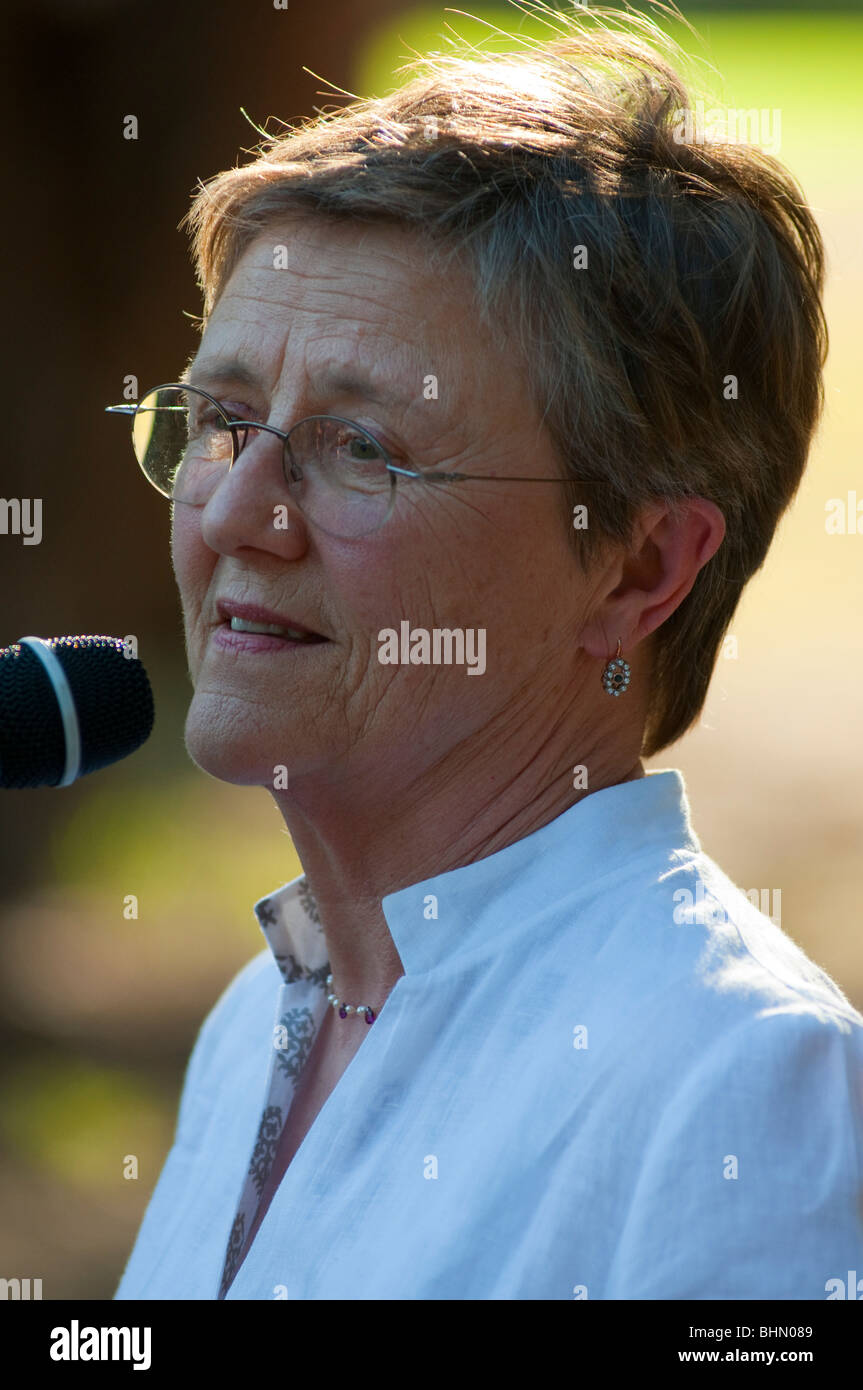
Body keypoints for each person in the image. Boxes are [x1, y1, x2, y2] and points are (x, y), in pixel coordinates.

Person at [110, 11, 863, 1299]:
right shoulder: (258, 1023)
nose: (235, 513)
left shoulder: (738, 1085)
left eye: (364, 448)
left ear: (639, 569)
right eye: (222, 421)